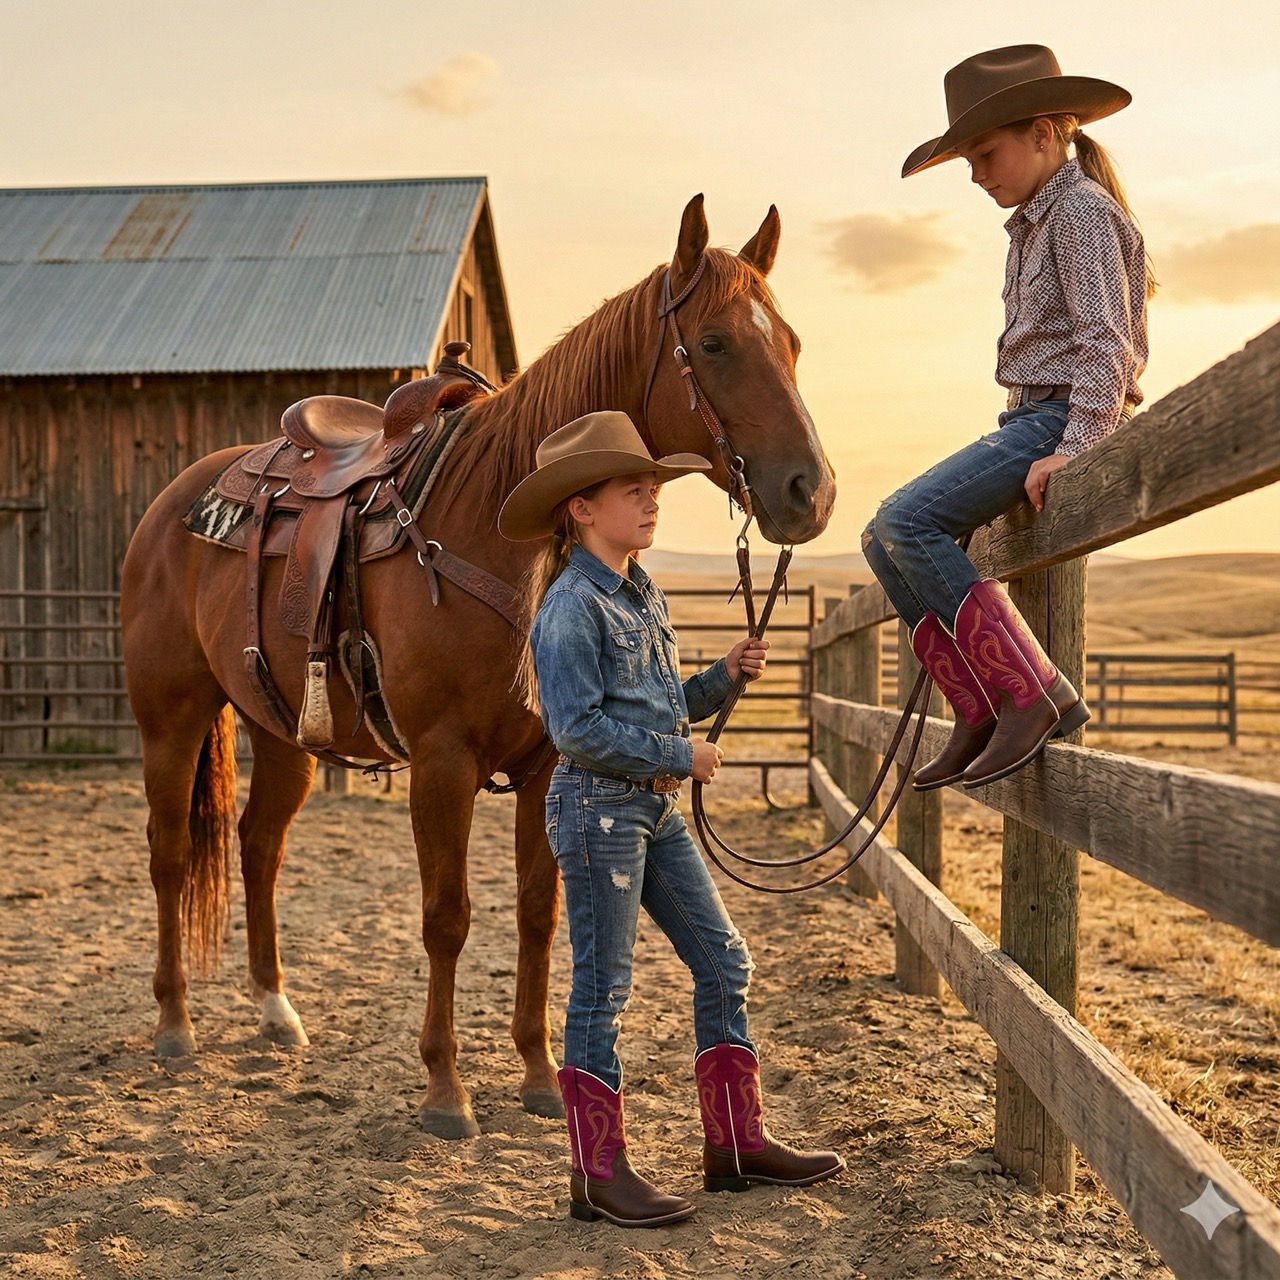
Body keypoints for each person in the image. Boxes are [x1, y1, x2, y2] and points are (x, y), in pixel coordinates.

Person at [499, 410, 844, 1228]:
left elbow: (656, 708)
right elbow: (576, 730)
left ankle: (735, 1144)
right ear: (582, 508)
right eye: (634, 490)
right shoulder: (570, 607)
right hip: (598, 814)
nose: (653, 502)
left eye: (654, 489)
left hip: (648, 811)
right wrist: (682, 757)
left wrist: (719, 679)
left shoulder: (638, 590)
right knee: (603, 990)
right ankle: (597, 1175)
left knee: (724, 961)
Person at [863, 44, 1154, 790]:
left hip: (1053, 420)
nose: (977, 173)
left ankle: (1029, 692)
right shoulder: (1037, 220)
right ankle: (979, 705)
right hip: (1024, 417)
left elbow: (1106, 343)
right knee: (877, 537)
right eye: (968, 159)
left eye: (985, 153)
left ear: (1045, 132)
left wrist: (1080, 444)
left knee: (905, 522)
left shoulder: (1080, 213)